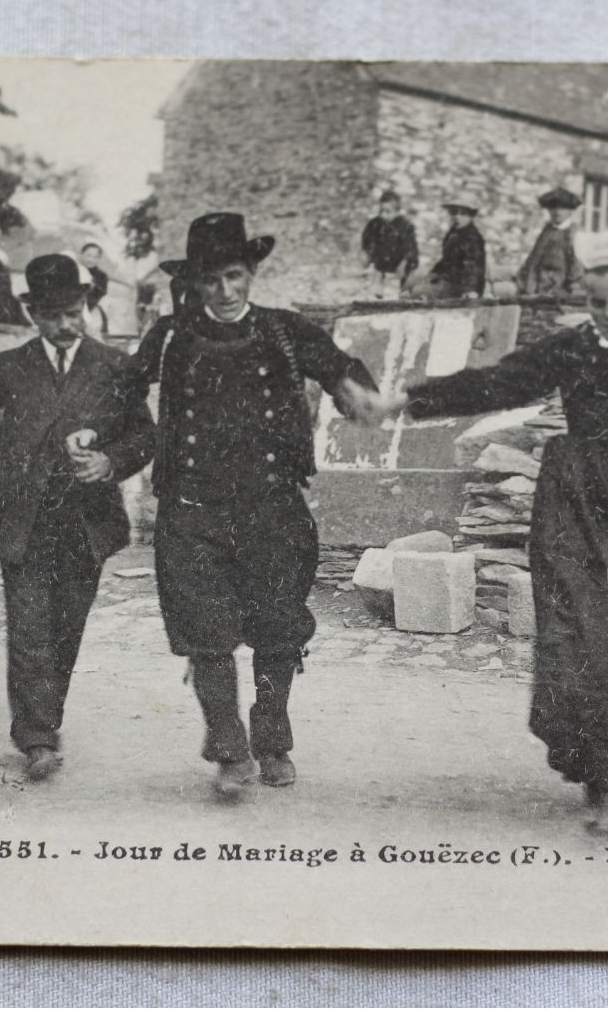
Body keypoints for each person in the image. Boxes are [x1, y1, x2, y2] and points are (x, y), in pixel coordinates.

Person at [365, 227, 608, 833]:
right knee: (586, 637)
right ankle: (601, 775)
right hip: (577, 503)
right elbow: (494, 382)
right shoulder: (572, 348)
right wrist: (408, 400)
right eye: (598, 301)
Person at [121, 213, 380, 796]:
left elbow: (339, 368)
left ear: (251, 273)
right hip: (193, 509)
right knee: (205, 632)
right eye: (212, 279)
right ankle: (229, 748)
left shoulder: (284, 330)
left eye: (235, 275)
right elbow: (122, 390)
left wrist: (356, 393)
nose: (225, 290)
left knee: (278, 628)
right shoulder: (169, 336)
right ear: (196, 282)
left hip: (272, 506)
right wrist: (104, 436)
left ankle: (272, 739)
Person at [0, 254, 157, 781]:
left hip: (87, 522)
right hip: (24, 521)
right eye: (52, 315)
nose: (65, 325)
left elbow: (145, 434)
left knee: (65, 630)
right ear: (33, 313)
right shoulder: (11, 366)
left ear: (86, 306)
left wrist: (110, 462)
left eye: (74, 312)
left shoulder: (113, 365)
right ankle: (37, 737)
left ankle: (44, 721)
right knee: (29, 628)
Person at [516, 186, 584, 298]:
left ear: (570, 210)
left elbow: (577, 268)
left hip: (562, 292)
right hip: (539, 289)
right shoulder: (546, 232)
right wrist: (529, 288)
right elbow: (533, 261)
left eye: (563, 207)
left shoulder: (576, 233)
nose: (557, 211)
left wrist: (569, 290)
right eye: (553, 207)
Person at [359, 190, 419, 295]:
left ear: (397, 211)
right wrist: (366, 254)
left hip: (400, 265)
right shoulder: (374, 224)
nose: (383, 215)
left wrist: (404, 264)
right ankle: (378, 289)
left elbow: (410, 250)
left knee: (406, 287)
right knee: (374, 286)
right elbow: (367, 242)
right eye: (381, 211)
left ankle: (404, 289)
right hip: (380, 265)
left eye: (388, 211)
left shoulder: (405, 226)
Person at [427, 199, 486, 299]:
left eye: (463, 214)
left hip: (462, 286)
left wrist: (470, 289)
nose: (457, 216)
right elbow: (447, 259)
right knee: (417, 281)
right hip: (449, 279)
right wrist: (434, 272)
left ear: (470, 216)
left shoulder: (471, 237)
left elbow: (472, 265)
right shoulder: (454, 233)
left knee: (419, 291)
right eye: (453, 212)